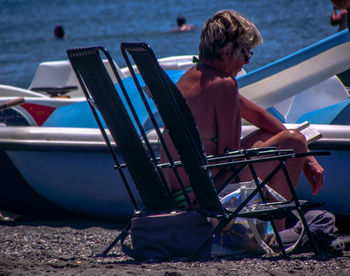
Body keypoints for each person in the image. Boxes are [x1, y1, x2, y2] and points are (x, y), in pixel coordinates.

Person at [160, 10, 324, 230]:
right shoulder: (224, 85)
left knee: (273, 136)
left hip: (183, 193)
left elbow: (258, 116)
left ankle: (275, 226)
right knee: (292, 141)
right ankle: (280, 230)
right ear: (227, 51)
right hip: (205, 197)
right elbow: (229, 158)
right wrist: (299, 149)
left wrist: (308, 157)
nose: (246, 61)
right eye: (246, 53)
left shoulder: (191, 77)